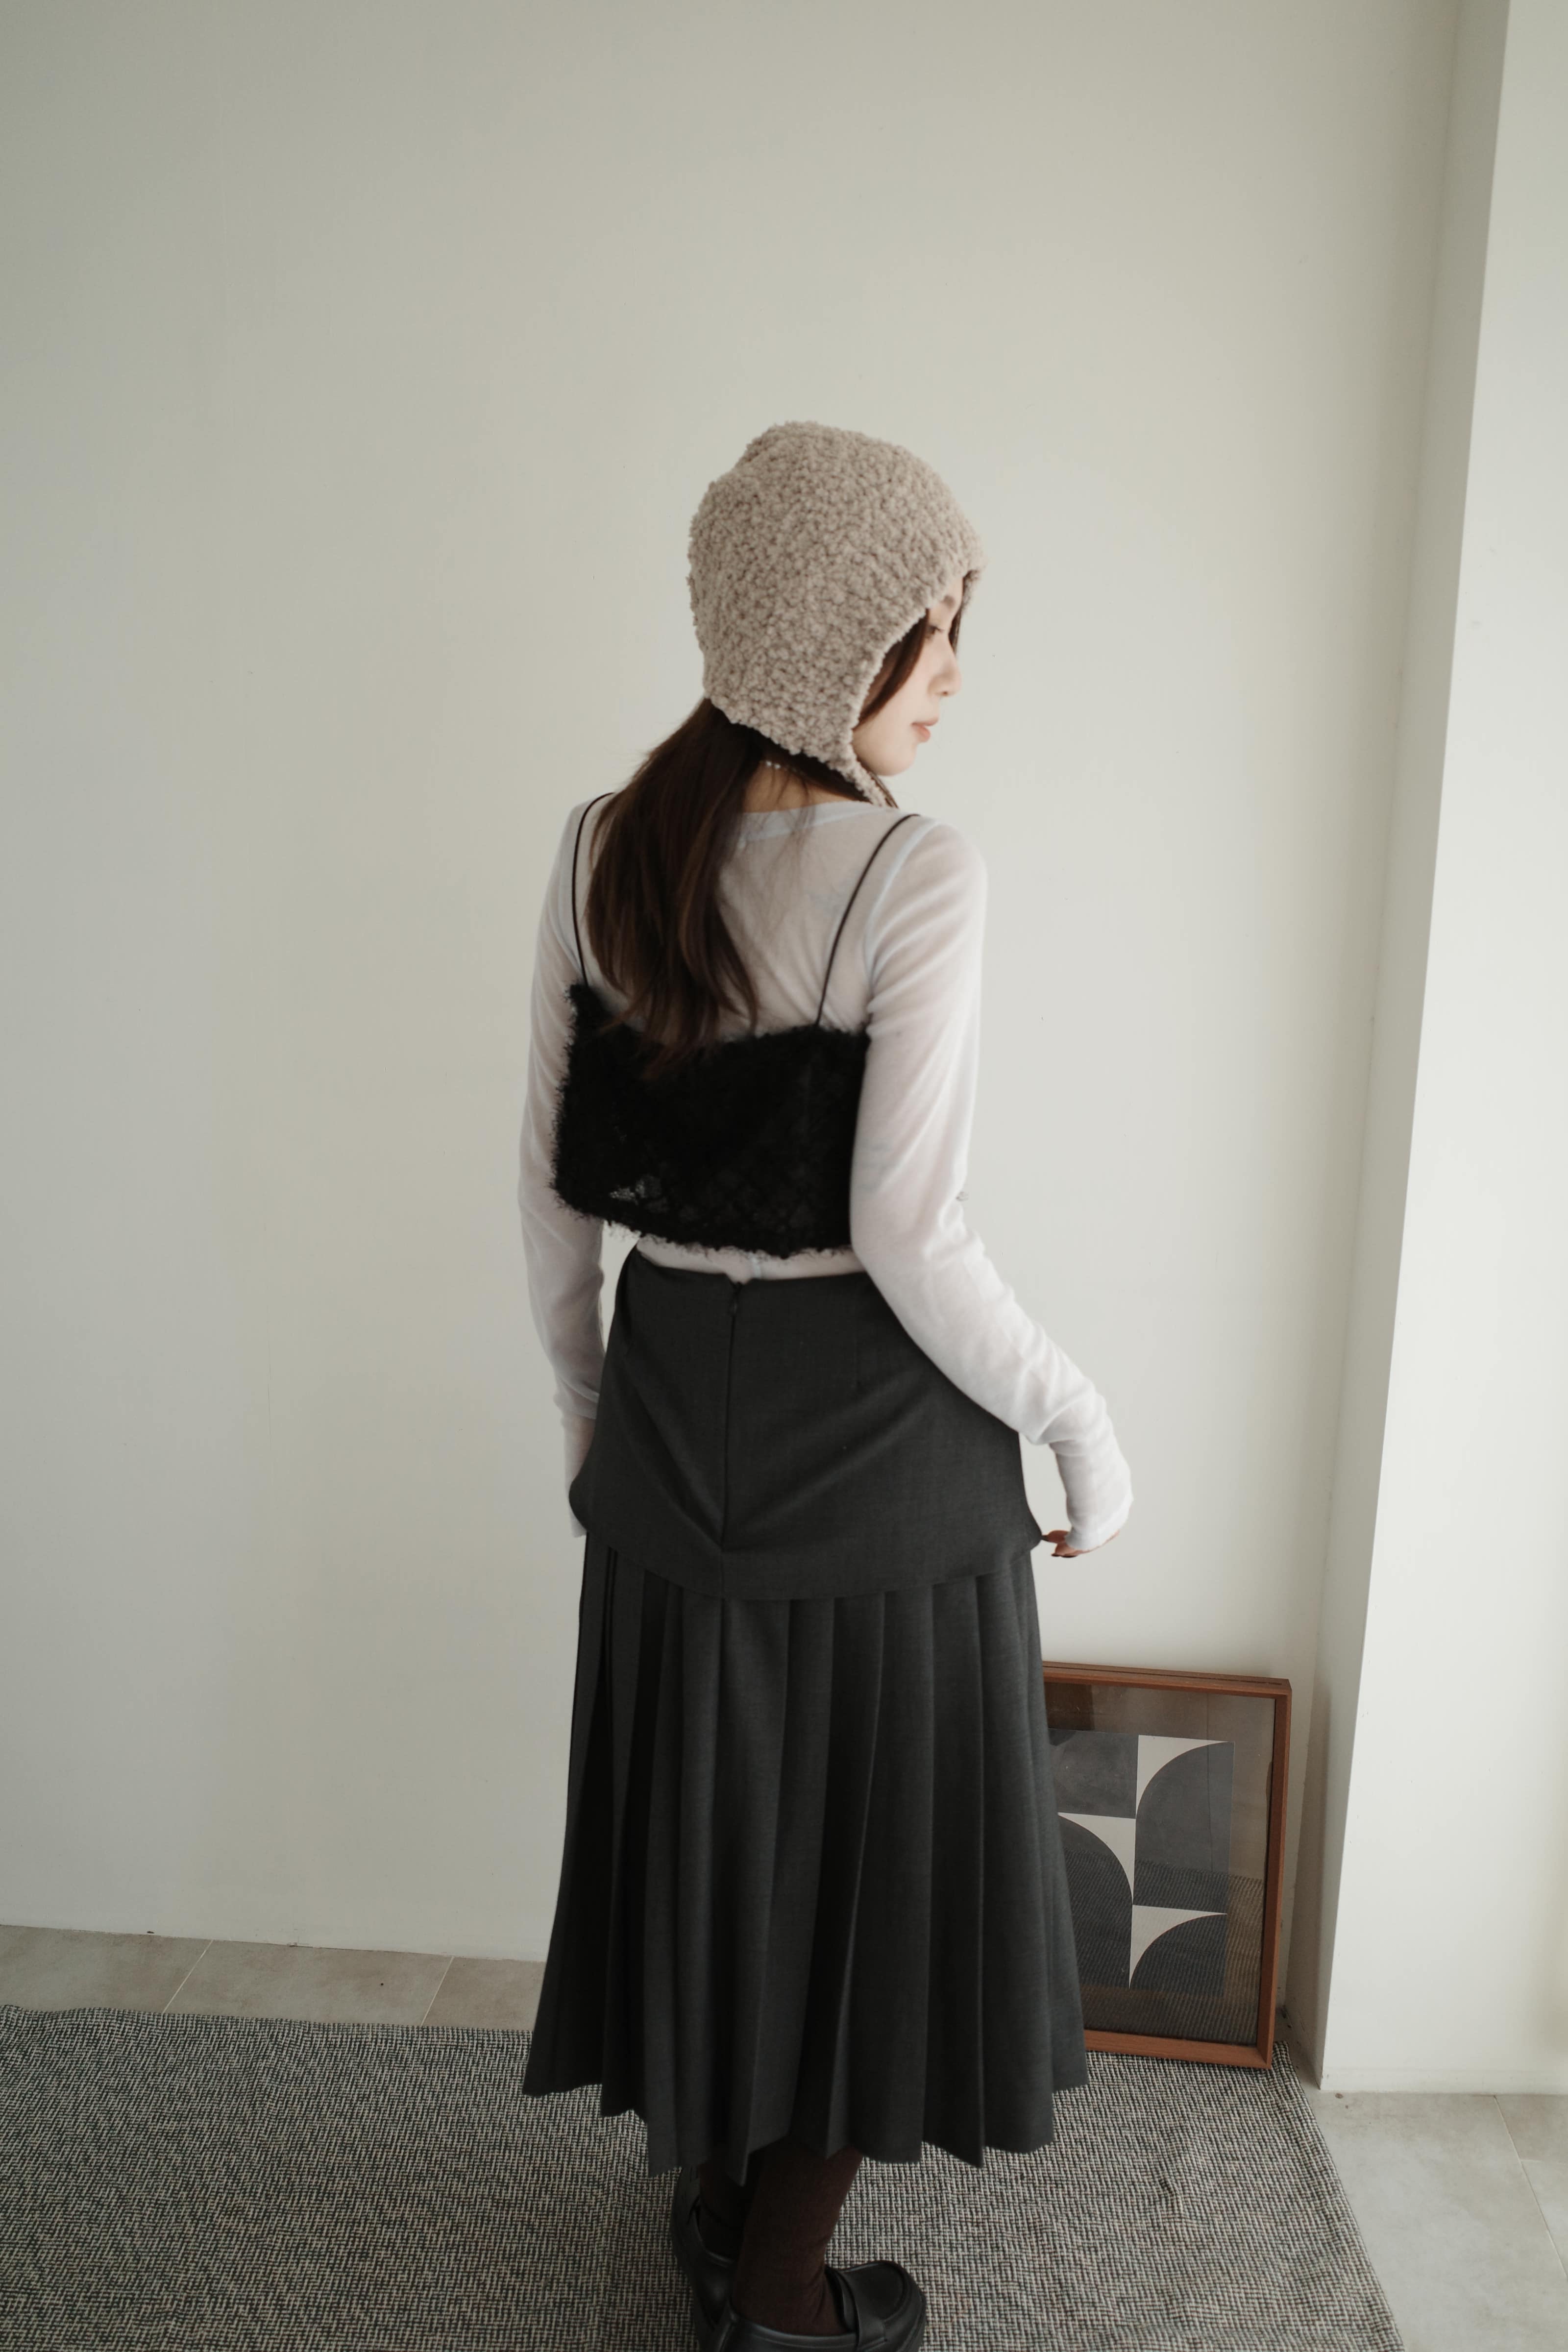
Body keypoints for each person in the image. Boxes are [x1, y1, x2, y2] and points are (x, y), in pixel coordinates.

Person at [516, 419, 1132, 2352]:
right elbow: (908, 1230)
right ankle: (779, 2298)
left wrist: (592, 1428)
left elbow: (548, 1191)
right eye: (925, 633)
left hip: (667, 1422)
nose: (950, 675)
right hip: (874, 1447)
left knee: (712, 1844)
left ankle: (721, 2215)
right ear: (818, 641)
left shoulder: (603, 844)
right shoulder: (913, 871)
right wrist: (1073, 1412)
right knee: (881, 1871)